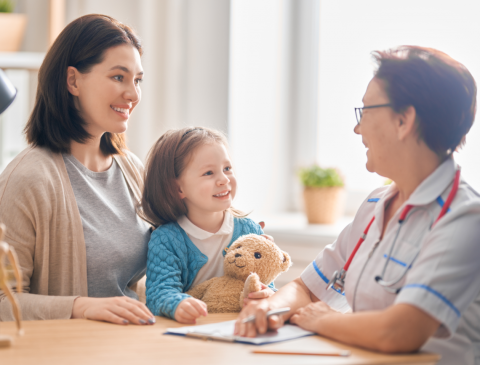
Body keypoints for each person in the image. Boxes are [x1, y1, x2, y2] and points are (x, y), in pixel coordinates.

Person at [235, 46, 480, 365]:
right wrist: (269, 307)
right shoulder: (376, 204)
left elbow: (401, 331)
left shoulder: (464, 218)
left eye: (365, 111)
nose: (357, 128)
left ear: (404, 121)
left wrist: (323, 320)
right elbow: (307, 289)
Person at [0, 14, 155, 325]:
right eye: (118, 77)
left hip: (135, 345)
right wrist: (80, 307)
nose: (133, 94)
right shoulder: (26, 180)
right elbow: (4, 302)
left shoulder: (132, 169)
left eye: (137, 80)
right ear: (73, 81)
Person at [142, 127, 275, 324]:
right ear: (178, 188)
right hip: (191, 332)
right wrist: (178, 304)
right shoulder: (166, 240)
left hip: (239, 329)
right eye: (209, 173)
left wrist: (267, 296)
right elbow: (159, 293)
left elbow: (269, 286)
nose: (224, 179)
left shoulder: (250, 230)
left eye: (227, 168)